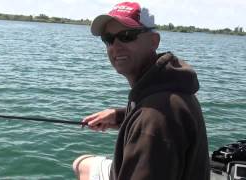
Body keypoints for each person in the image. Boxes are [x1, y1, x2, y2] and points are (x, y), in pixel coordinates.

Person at [72, 1, 210, 180]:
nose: (115, 46)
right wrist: (121, 116)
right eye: (108, 39)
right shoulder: (169, 87)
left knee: (82, 164)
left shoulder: (154, 119)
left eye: (127, 36)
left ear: (154, 41)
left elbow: (153, 124)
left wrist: (138, 121)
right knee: (82, 164)